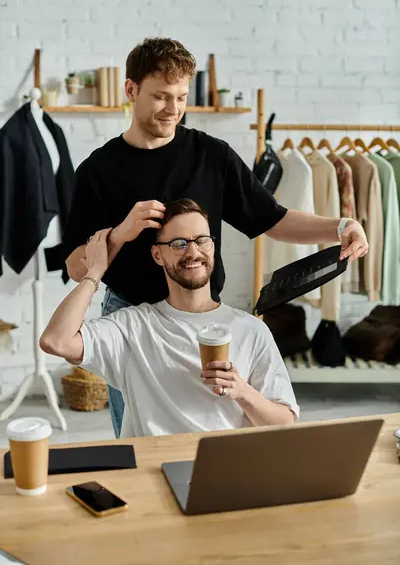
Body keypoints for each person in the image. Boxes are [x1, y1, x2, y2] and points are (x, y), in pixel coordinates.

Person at [62, 37, 368, 437]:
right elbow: (73, 266)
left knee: (219, 428)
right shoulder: (97, 170)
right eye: (160, 96)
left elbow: (271, 219)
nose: (173, 109)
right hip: (132, 323)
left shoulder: (212, 155)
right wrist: (120, 234)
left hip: (205, 315)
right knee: (139, 440)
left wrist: (339, 226)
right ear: (131, 90)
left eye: (181, 97)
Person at [41, 199, 299, 437]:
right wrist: (95, 272)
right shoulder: (133, 327)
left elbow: (285, 422)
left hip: (223, 471)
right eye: (179, 244)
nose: (193, 252)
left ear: (213, 245)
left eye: (202, 240)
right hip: (154, 472)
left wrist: (242, 391)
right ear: (157, 255)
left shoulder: (252, 330)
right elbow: (56, 341)